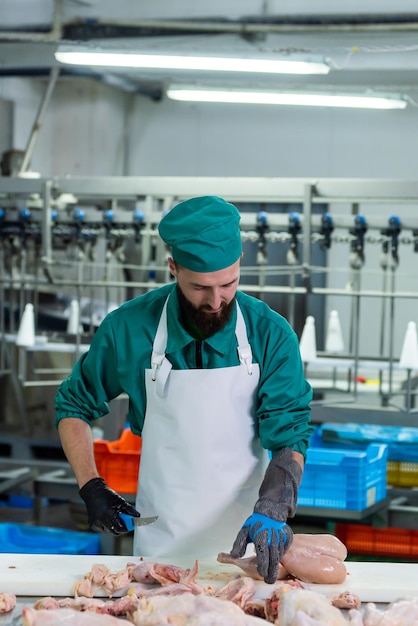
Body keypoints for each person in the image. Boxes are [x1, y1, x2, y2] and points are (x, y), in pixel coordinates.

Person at [55, 195, 313, 584]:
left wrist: (275, 504)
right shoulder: (129, 329)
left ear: (240, 262)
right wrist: (90, 484)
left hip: (248, 542)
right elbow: (73, 404)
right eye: (199, 287)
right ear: (173, 268)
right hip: (161, 550)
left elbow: (290, 432)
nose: (215, 301)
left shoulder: (270, 334)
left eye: (228, 284)